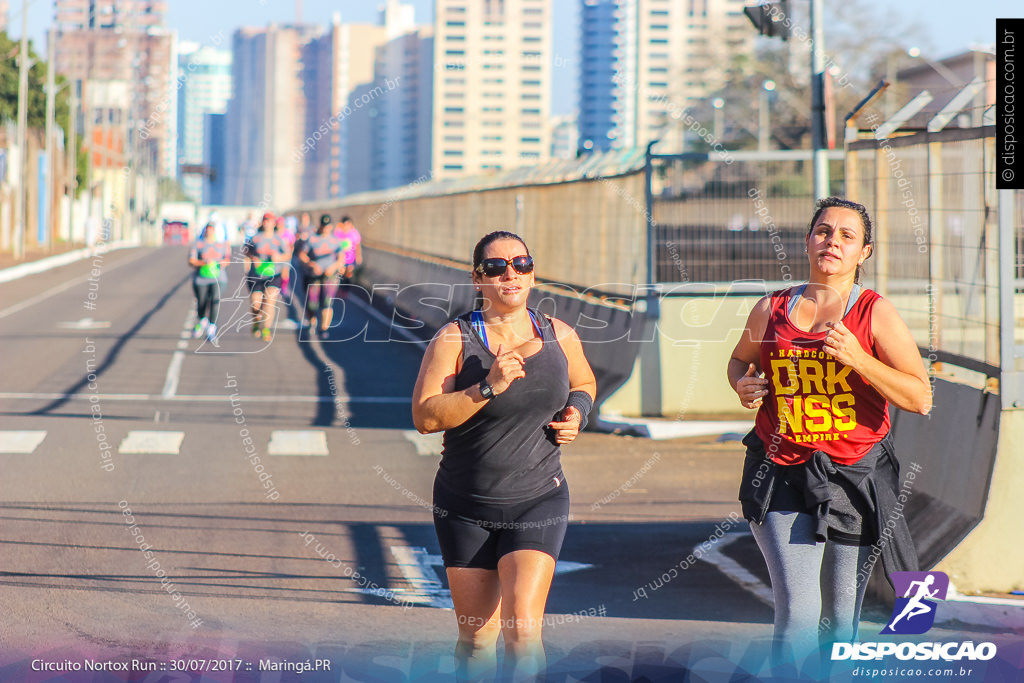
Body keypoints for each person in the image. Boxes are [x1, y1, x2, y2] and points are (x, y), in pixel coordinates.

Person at [727, 197, 931, 664]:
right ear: (807, 241)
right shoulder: (772, 308)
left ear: (864, 252)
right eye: (823, 231)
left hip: (853, 475)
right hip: (780, 468)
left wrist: (860, 359)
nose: (832, 242)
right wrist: (743, 383)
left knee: (841, 621)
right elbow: (740, 360)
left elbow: (919, 397)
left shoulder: (874, 313)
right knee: (798, 612)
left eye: (846, 235)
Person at [412, 230, 597, 681]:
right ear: (478, 279)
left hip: (538, 498)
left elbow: (586, 383)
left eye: (521, 263)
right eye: (496, 267)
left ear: (533, 273)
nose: (510, 274)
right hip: (465, 504)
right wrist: (487, 386)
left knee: (522, 633)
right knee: (477, 640)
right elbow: (426, 416)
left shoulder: (560, 335)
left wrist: (578, 412)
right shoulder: (453, 339)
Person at [244, 212, 290, 341]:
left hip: (274, 274)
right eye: (265, 220)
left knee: (269, 302)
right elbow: (246, 250)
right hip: (257, 275)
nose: (267, 223)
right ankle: (256, 322)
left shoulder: (279, 239)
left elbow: (288, 254)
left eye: (269, 221)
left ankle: (266, 329)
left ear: (274, 223)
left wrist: (279, 257)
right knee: (256, 305)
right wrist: (253, 258)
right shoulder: (255, 238)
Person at [298, 214, 345, 337]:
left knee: (327, 302)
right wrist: (311, 264)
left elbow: (341, 259)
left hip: (330, 276)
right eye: (323, 226)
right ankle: (311, 322)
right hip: (314, 275)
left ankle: (324, 328)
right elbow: (302, 255)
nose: (325, 228)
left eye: (327, 226)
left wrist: (333, 267)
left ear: (331, 226)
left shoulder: (335, 240)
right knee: (312, 303)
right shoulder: (312, 239)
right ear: (320, 226)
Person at [188, 220, 230, 342]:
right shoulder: (198, 244)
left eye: (212, 229)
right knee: (202, 302)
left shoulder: (221, 245)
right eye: (208, 229)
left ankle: (212, 328)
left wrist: (222, 263)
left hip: (218, 278)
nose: (210, 231)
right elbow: (191, 260)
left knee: (215, 300)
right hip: (201, 279)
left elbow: (227, 259)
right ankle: (202, 320)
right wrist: (203, 263)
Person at [336, 215, 362, 283]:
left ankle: (346, 290)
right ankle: (340, 290)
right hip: (340, 259)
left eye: (348, 224)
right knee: (340, 276)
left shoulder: (354, 233)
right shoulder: (338, 232)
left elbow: (357, 245)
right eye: (345, 224)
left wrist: (358, 256)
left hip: (350, 259)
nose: (347, 226)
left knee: (348, 276)